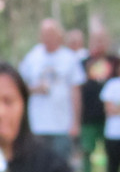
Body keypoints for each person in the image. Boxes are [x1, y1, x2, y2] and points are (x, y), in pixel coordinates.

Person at [18, 19, 85, 162]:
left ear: (59, 35)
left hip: (62, 126)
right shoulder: (32, 56)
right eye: (44, 34)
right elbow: (19, 86)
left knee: (60, 164)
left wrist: (75, 122)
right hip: (37, 125)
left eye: (51, 33)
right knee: (38, 164)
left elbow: (76, 92)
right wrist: (35, 89)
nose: (48, 37)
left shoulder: (69, 58)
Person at [79, 28, 113, 172]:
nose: (99, 45)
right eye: (95, 41)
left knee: (110, 153)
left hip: (110, 119)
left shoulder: (115, 63)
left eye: (102, 40)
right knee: (87, 152)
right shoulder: (81, 63)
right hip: (88, 117)